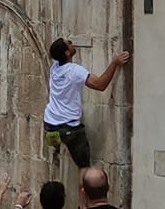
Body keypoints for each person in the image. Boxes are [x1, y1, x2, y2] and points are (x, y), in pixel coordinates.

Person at [43, 40, 129, 168]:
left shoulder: (54, 68)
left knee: (61, 143)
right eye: (69, 43)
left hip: (50, 123)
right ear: (67, 53)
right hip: (69, 127)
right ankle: (84, 183)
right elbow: (100, 85)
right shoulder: (75, 71)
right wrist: (114, 63)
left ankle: (57, 149)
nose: (72, 43)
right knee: (84, 169)